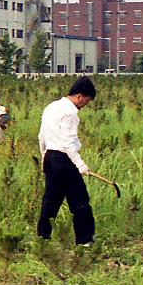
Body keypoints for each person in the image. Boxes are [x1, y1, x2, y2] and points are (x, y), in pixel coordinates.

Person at [36, 77, 97, 246]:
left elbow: (41, 135)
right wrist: (80, 165)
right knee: (80, 200)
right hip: (64, 160)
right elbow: (68, 143)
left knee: (51, 200)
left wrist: (44, 157)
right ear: (80, 96)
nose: (85, 104)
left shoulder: (51, 107)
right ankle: (85, 241)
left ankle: (43, 238)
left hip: (50, 157)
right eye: (87, 100)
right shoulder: (70, 113)